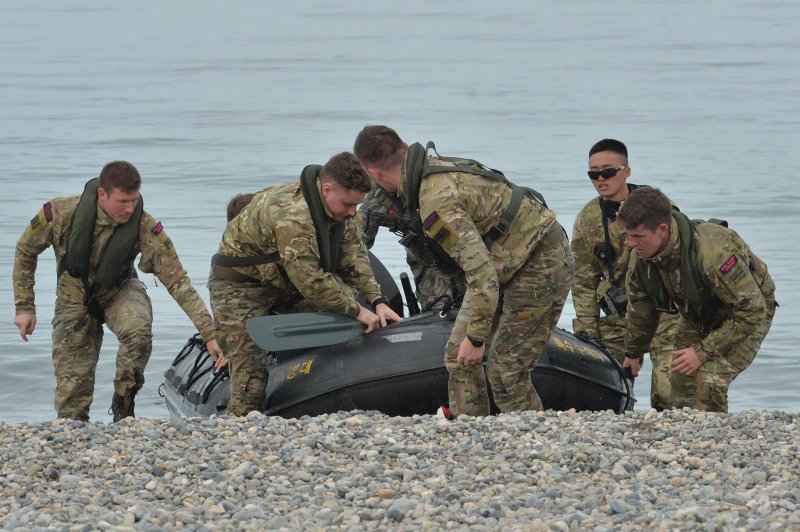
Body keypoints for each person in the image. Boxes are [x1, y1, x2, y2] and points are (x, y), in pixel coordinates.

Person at [354, 125, 574, 418]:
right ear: (404, 146)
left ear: (374, 173)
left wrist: (477, 339)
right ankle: (471, 429)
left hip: (540, 261)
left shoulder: (436, 204)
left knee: (506, 371)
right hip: (500, 260)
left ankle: (532, 436)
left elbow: (482, 277)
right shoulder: (422, 176)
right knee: (457, 357)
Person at [13, 161, 225, 422]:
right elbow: (25, 250)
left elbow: (178, 282)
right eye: (123, 201)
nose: (130, 208)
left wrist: (209, 334)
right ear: (102, 194)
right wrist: (24, 306)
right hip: (73, 299)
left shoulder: (144, 226)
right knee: (71, 404)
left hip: (120, 291)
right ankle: (74, 425)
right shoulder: (61, 212)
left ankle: (123, 404)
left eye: (134, 200)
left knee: (138, 331)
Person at [209, 152, 401, 416]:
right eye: (347, 204)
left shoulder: (345, 213)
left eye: (356, 205)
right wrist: (357, 310)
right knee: (250, 373)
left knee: (352, 311)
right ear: (327, 189)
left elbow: (355, 259)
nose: (352, 211)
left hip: (285, 281)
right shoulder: (294, 217)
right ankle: (241, 425)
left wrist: (377, 301)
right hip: (241, 287)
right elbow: (311, 282)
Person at [618, 186, 776, 412]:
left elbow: (752, 310)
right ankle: (686, 429)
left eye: (638, 237)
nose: (631, 243)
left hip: (748, 311)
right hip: (699, 313)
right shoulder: (641, 260)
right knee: (680, 379)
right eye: (628, 235)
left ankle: (713, 430)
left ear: (662, 230)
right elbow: (641, 310)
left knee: (709, 381)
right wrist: (633, 352)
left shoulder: (712, 252)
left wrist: (703, 352)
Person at [571, 139, 678, 410]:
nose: (600, 179)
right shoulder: (588, 218)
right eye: (593, 174)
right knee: (593, 382)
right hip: (619, 317)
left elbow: (680, 263)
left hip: (664, 315)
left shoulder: (658, 208)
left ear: (627, 172)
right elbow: (583, 281)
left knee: (668, 393)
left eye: (608, 172)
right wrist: (587, 334)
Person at [360, 184, 467, 311]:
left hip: (465, 255)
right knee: (437, 311)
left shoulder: (435, 182)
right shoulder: (376, 199)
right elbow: (355, 244)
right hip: (427, 263)